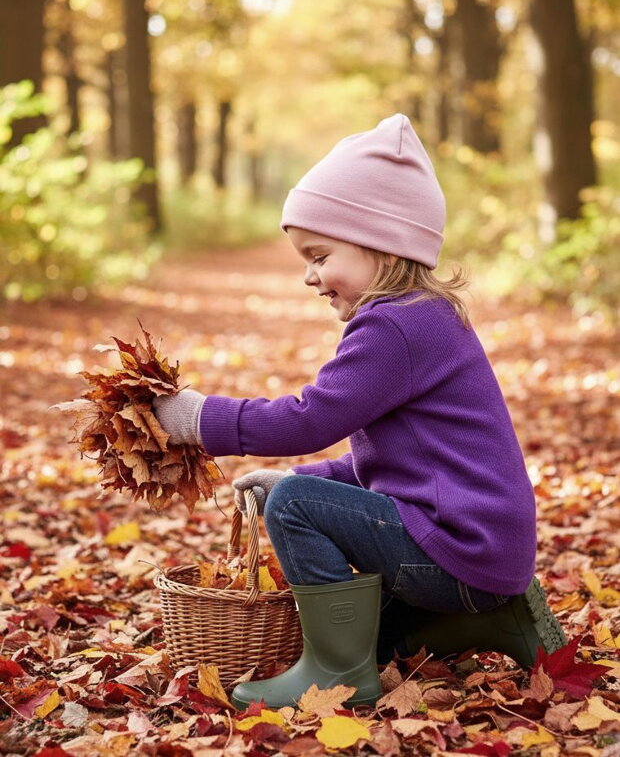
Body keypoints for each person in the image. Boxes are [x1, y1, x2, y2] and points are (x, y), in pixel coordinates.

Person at [153, 113, 566, 710]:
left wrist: (198, 421)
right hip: (483, 551)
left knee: (297, 514)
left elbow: (308, 420)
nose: (309, 276)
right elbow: (398, 460)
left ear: (379, 241)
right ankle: (496, 622)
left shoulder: (392, 325)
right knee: (383, 632)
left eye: (319, 255)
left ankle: (335, 673)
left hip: (459, 550)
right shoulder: (424, 316)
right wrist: (304, 478)